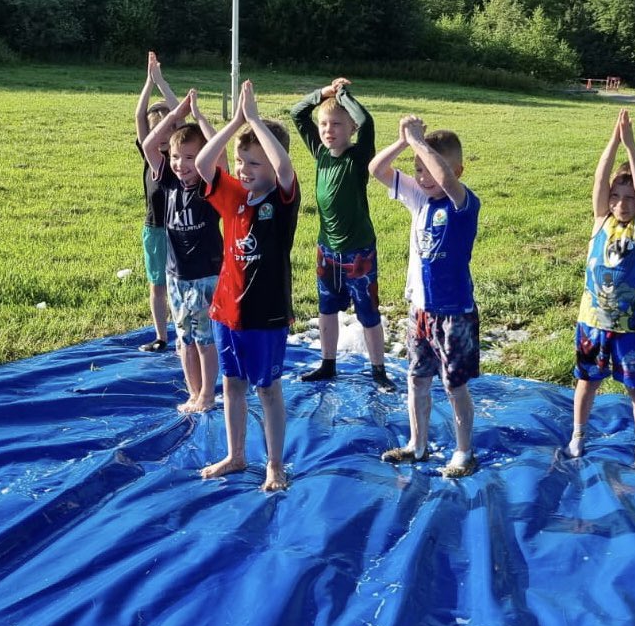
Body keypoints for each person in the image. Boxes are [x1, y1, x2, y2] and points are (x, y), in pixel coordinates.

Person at [195, 81, 300, 492]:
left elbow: (286, 171)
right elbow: (205, 164)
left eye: (255, 163)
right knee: (232, 384)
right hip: (227, 311)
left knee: (268, 389)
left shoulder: (283, 200)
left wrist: (257, 120)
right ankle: (236, 455)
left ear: (273, 165)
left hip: (266, 314)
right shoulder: (234, 196)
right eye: (242, 161)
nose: (244, 170)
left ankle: (274, 463)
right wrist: (237, 122)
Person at [369, 116, 481, 479]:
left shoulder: (463, 204)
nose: (423, 176)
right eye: (417, 170)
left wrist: (420, 144)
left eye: (430, 167)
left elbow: (446, 181)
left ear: (458, 169)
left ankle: (464, 451)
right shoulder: (420, 199)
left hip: (454, 313)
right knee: (417, 378)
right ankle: (417, 444)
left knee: (454, 384)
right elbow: (376, 168)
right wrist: (405, 142)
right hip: (420, 309)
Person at [568, 109, 635, 469]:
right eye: (616, 196)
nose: (622, 203)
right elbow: (600, 178)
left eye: (630, 197)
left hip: (630, 329)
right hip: (592, 322)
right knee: (586, 383)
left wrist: (632, 145)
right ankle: (577, 436)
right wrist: (613, 140)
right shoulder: (600, 220)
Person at [291, 78, 395, 392]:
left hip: (358, 252)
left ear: (349, 128)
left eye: (337, 124)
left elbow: (367, 121)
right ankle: (328, 363)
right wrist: (322, 94)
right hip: (327, 250)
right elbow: (297, 114)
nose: (328, 129)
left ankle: (378, 370)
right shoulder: (320, 152)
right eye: (323, 124)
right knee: (327, 309)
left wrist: (343, 94)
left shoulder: (358, 156)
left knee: (368, 312)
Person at [141, 90, 225, 414]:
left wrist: (200, 117)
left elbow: (219, 154)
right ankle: (193, 393)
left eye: (190, 157)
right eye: (177, 157)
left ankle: (207, 394)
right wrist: (176, 114)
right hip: (176, 276)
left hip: (205, 275)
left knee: (205, 340)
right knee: (184, 339)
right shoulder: (168, 182)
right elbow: (150, 145)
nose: (181, 164)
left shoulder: (208, 183)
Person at [133, 51, 178, 353]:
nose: (161, 137)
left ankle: (184, 333)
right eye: (156, 131)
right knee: (158, 285)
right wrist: (149, 84)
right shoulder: (151, 160)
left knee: (180, 285)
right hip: (155, 230)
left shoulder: (180, 162)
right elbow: (139, 116)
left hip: (182, 230)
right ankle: (162, 336)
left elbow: (180, 112)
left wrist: (162, 82)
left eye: (168, 130)